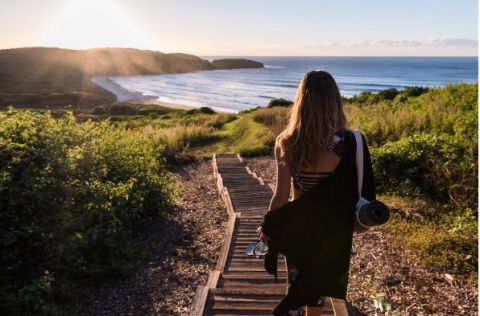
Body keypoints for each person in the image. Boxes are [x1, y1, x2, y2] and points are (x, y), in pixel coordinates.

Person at [257, 70, 376, 316]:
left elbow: (281, 196)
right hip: (333, 229)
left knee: (301, 284)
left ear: (301, 100)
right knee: (318, 289)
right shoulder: (351, 141)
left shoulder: (287, 142)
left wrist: (269, 224)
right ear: (335, 100)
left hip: (299, 226)